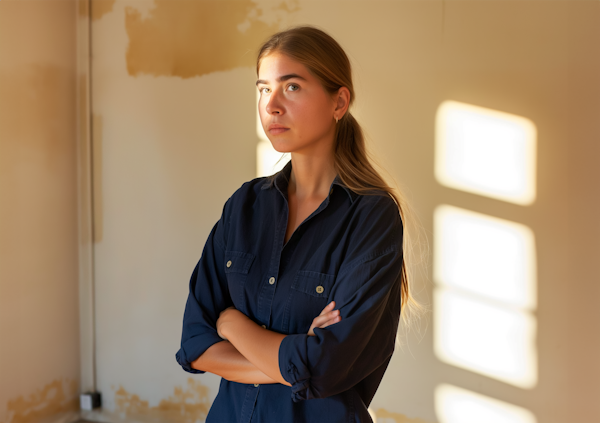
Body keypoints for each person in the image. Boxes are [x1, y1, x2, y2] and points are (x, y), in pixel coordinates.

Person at [176, 25, 419, 423]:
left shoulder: (373, 217)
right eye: (262, 88)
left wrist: (232, 323)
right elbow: (195, 344)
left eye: (291, 87)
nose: (271, 105)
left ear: (339, 102)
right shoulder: (243, 206)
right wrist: (291, 360)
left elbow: (325, 366)